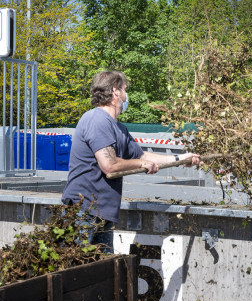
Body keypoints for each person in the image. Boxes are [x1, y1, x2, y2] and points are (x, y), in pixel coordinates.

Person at [62, 71, 201, 252]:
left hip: (101, 212)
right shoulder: (96, 120)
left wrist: (181, 158)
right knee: (72, 268)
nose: (127, 96)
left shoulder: (119, 128)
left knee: (100, 274)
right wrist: (140, 165)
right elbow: (109, 165)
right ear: (115, 92)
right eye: (125, 90)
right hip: (84, 211)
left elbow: (142, 156)